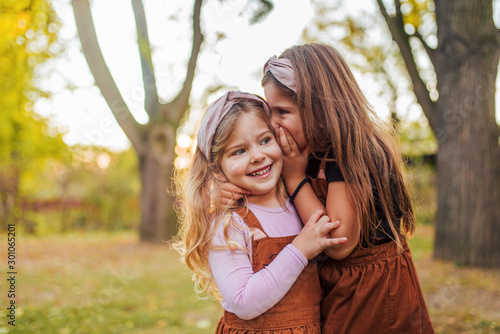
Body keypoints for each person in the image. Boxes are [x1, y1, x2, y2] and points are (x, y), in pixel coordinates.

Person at [221, 44, 435, 333]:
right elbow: (249, 176)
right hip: (336, 289)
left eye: (282, 112)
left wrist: (296, 179)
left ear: (320, 110)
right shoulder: (308, 152)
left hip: (372, 294)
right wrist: (216, 189)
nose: (273, 124)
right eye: (271, 112)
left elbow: (340, 240)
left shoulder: (353, 151)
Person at [175, 91, 347, 333]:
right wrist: (300, 250)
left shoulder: (301, 202)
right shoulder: (228, 222)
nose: (257, 156)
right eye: (239, 151)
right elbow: (243, 302)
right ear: (216, 167)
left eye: (265, 140)